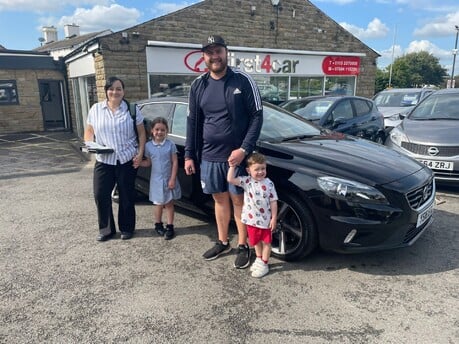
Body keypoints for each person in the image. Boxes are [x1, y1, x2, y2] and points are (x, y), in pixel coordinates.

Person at [184, 34, 263, 269]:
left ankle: (243, 245)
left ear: (226, 52)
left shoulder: (242, 80)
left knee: (239, 201)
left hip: (237, 157)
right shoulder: (198, 85)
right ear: (203, 57)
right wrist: (189, 154)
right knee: (219, 199)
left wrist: (244, 149)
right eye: (209, 52)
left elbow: (257, 116)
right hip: (209, 156)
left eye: (218, 51)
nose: (214, 56)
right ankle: (222, 241)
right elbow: (192, 121)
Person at [84, 76, 146, 241]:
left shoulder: (132, 109)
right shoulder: (96, 109)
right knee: (100, 194)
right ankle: (106, 230)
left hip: (127, 159)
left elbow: (141, 133)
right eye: (111, 89)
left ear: (123, 91)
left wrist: (140, 154)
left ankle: (127, 228)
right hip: (104, 161)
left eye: (118, 89)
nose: (115, 92)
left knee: (126, 195)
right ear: (106, 91)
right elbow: (89, 131)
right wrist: (89, 144)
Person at [227, 152, 278, 278]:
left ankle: (265, 263)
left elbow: (273, 201)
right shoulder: (246, 181)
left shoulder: (269, 183)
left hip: (265, 220)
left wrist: (274, 217)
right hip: (251, 220)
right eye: (257, 169)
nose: (260, 172)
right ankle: (259, 259)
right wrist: (232, 167)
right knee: (255, 242)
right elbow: (230, 179)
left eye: (263, 168)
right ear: (248, 170)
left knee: (266, 242)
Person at [136, 117, 181, 240]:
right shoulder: (148, 146)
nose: (159, 132)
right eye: (157, 129)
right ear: (152, 130)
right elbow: (148, 163)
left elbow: (175, 162)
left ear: (166, 131)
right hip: (156, 180)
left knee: (169, 203)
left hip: (168, 179)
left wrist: (172, 179)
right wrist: (137, 162)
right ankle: (158, 224)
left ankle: (170, 226)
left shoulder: (170, 145)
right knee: (158, 204)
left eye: (162, 130)